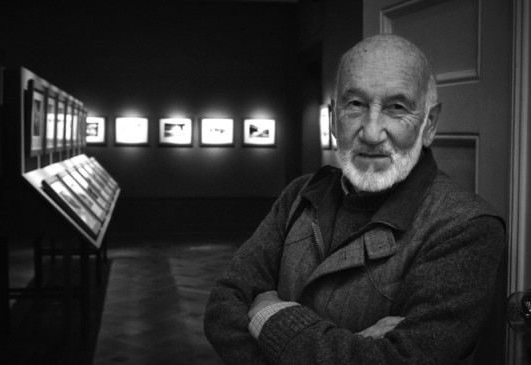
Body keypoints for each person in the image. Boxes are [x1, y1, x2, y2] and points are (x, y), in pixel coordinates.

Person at [204, 34, 505, 364]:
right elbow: (223, 307)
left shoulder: (465, 227)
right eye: (355, 105)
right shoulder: (299, 194)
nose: (372, 133)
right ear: (334, 118)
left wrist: (268, 314)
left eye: (397, 108)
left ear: (429, 123)